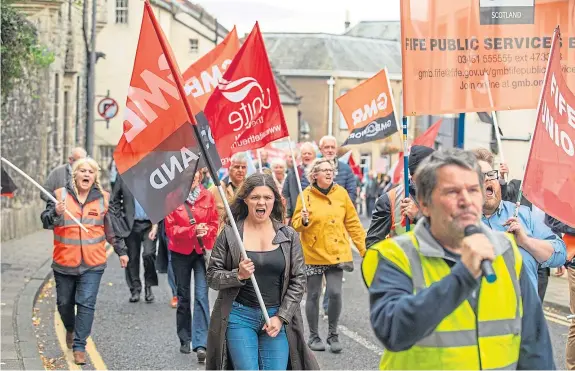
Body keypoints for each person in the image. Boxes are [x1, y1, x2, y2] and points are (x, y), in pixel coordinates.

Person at [362, 148, 555, 370]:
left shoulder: (506, 251)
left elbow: (535, 347)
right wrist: (463, 276)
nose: (466, 200)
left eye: (473, 190)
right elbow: (393, 331)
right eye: (452, 192)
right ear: (424, 204)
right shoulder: (395, 255)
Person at [206, 173, 319, 370]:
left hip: (275, 318)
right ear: (246, 200)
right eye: (255, 197)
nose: (262, 202)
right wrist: (237, 275)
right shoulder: (231, 234)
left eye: (267, 197)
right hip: (239, 317)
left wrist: (282, 316)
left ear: (275, 201)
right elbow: (212, 276)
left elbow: (298, 280)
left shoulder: (288, 235)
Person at [40, 158, 129, 365]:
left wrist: (121, 252)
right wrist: (55, 212)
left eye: (90, 171)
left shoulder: (103, 199)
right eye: (82, 170)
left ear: (95, 177)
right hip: (64, 262)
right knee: (64, 304)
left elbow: (112, 230)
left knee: (86, 304)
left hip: (93, 263)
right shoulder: (59, 196)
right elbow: (45, 220)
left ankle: (80, 346)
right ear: (75, 175)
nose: (86, 174)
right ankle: (70, 329)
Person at [291, 158, 366, 353]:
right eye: (324, 170)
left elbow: (353, 223)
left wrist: (365, 249)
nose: (329, 172)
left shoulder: (341, 194)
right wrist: (304, 220)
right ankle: (314, 336)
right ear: (314, 175)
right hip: (313, 253)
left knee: (335, 292)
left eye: (331, 170)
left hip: (336, 252)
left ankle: (333, 334)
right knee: (314, 295)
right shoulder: (305, 195)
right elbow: (295, 224)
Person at [473, 151, 566, 292]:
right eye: (479, 176)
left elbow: (560, 253)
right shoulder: (458, 224)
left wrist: (526, 242)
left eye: (491, 174)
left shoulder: (523, 215)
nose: (487, 179)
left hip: (525, 312)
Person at [164, 171, 218, 362]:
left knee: (202, 295)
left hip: (201, 251)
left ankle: (201, 342)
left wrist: (207, 231)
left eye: (195, 175)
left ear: (200, 177)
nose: (192, 177)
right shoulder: (172, 197)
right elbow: (170, 230)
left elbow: (214, 223)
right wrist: (192, 230)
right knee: (184, 295)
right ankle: (184, 337)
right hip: (180, 252)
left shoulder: (208, 196)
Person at [365, 145, 435, 248]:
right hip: (400, 262)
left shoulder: (445, 195)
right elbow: (373, 244)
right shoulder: (389, 199)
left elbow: (452, 234)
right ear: (417, 172)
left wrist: (418, 217)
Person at [109, 175, 159, 303]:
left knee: (149, 254)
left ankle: (149, 286)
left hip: (150, 225)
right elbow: (114, 200)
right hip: (130, 225)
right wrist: (120, 219)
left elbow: (160, 200)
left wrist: (156, 223)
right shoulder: (123, 175)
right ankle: (135, 289)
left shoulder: (154, 174)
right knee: (132, 257)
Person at [210, 152, 248, 224]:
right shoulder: (218, 188)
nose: (240, 170)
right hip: (225, 231)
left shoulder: (251, 187)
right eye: (236, 167)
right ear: (228, 168)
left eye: (243, 167)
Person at [283, 142, 315, 225]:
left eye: (309, 153)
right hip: (297, 215)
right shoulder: (294, 172)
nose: (307, 155)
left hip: (315, 215)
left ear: (314, 155)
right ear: (301, 156)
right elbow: (286, 194)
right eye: (304, 153)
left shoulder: (320, 171)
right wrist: (288, 213)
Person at [318, 135, 356, 204]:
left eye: (332, 147)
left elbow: (351, 192)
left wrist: (342, 208)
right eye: (326, 147)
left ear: (336, 150)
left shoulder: (346, 169)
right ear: (320, 149)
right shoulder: (314, 168)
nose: (330, 150)